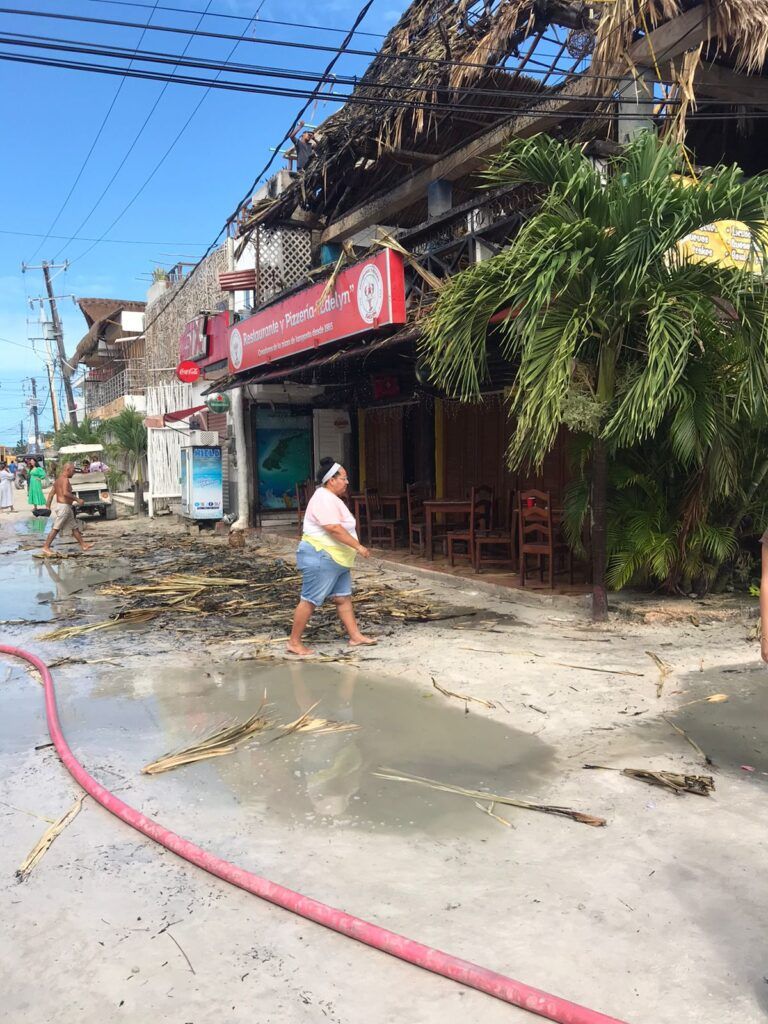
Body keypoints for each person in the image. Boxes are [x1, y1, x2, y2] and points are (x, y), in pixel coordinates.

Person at [287, 458, 376, 656]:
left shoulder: (331, 498)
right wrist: (358, 546)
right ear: (331, 480)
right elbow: (333, 528)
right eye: (343, 478)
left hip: (337, 558)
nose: (346, 482)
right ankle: (294, 642)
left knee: (343, 598)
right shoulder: (322, 498)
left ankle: (355, 636)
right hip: (321, 556)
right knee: (309, 599)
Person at [41, 462, 94, 556]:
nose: (73, 473)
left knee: (74, 527)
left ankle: (83, 545)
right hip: (63, 508)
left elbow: (51, 494)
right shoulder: (65, 480)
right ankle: (46, 547)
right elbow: (65, 493)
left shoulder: (58, 480)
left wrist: (48, 507)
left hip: (65, 507)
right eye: (73, 471)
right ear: (67, 470)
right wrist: (77, 499)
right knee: (56, 528)